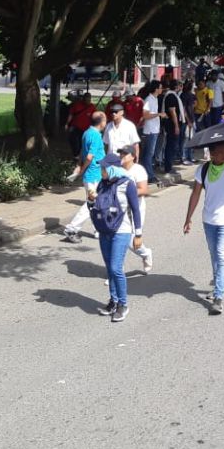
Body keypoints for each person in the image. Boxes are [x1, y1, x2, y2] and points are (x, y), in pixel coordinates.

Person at [183, 142, 224, 315]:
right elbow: (195, 194)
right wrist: (188, 218)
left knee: (221, 254)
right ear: (211, 154)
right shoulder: (202, 170)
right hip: (209, 219)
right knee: (214, 255)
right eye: (220, 152)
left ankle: (218, 296)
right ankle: (221, 285)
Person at [92, 154, 143, 323]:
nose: (101, 171)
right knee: (109, 268)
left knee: (116, 268)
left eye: (104, 168)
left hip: (122, 230)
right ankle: (113, 301)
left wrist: (139, 234)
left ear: (113, 168)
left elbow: (135, 210)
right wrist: (90, 201)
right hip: (104, 230)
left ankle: (123, 304)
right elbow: (96, 207)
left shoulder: (128, 184)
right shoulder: (102, 184)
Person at [62, 111, 107, 243]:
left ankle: (98, 230)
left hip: (93, 174)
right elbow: (89, 156)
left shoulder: (87, 133)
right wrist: (81, 169)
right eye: (105, 120)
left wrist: (78, 165)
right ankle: (72, 228)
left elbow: (82, 152)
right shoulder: (96, 136)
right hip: (94, 175)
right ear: (101, 122)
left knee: (96, 203)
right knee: (91, 204)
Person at [118, 146, 153, 272]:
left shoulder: (138, 170)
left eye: (125, 154)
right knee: (118, 239)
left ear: (133, 156)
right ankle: (116, 273)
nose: (122, 155)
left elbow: (144, 189)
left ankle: (146, 253)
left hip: (135, 208)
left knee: (132, 241)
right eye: (121, 153)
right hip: (120, 209)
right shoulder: (117, 169)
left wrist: (124, 192)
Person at [140, 81, 163, 183]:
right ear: (156, 89)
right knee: (148, 154)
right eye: (160, 88)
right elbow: (145, 115)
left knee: (149, 153)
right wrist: (158, 114)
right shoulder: (149, 100)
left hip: (154, 129)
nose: (162, 89)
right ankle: (149, 175)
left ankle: (148, 173)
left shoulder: (155, 99)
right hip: (150, 131)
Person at [162, 79, 187, 174]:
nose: (180, 88)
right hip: (172, 125)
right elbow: (173, 112)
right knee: (171, 145)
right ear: (176, 87)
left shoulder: (173, 95)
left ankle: (169, 165)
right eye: (179, 86)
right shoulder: (171, 96)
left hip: (174, 124)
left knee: (173, 145)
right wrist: (176, 126)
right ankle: (168, 167)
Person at [66, 92, 96, 159]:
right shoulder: (77, 105)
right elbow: (71, 114)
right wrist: (67, 124)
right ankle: (76, 154)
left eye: (89, 99)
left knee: (83, 142)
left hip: (86, 129)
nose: (88, 100)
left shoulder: (92, 107)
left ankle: (82, 155)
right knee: (74, 141)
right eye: (86, 98)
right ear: (83, 99)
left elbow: (95, 117)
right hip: (76, 126)